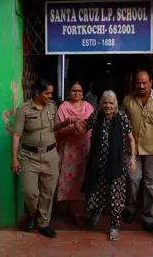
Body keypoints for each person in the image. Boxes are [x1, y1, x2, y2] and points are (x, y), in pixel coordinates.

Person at [11, 79, 77, 239]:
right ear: (37, 93)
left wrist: (64, 124)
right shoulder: (24, 109)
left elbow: (52, 127)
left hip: (50, 155)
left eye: (51, 93)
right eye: (47, 93)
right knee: (30, 192)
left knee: (48, 193)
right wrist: (14, 158)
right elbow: (17, 134)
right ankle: (33, 214)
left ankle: (43, 224)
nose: (50, 96)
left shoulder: (52, 106)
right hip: (29, 156)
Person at [75, 90, 137, 241]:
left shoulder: (122, 117)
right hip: (97, 163)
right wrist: (76, 124)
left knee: (115, 194)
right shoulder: (96, 116)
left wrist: (133, 158)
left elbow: (131, 139)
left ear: (116, 104)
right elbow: (84, 131)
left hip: (116, 164)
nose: (108, 105)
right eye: (105, 102)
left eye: (111, 103)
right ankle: (96, 214)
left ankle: (114, 226)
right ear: (101, 104)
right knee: (96, 191)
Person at [120, 69, 153, 232]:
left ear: (151, 82)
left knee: (151, 185)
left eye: (144, 82)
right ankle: (130, 209)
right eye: (138, 82)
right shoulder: (128, 100)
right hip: (132, 150)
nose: (141, 85)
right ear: (134, 83)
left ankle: (148, 216)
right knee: (132, 180)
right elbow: (120, 120)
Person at [55, 81, 94, 217]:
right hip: (68, 150)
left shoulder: (88, 107)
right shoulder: (63, 107)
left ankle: (79, 212)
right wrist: (74, 126)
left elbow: (90, 126)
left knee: (81, 178)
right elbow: (59, 130)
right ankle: (63, 209)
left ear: (83, 94)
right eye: (74, 90)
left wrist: (79, 126)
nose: (77, 93)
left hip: (83, 149)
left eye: (79, 91)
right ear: (68, 92)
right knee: (65, 178)